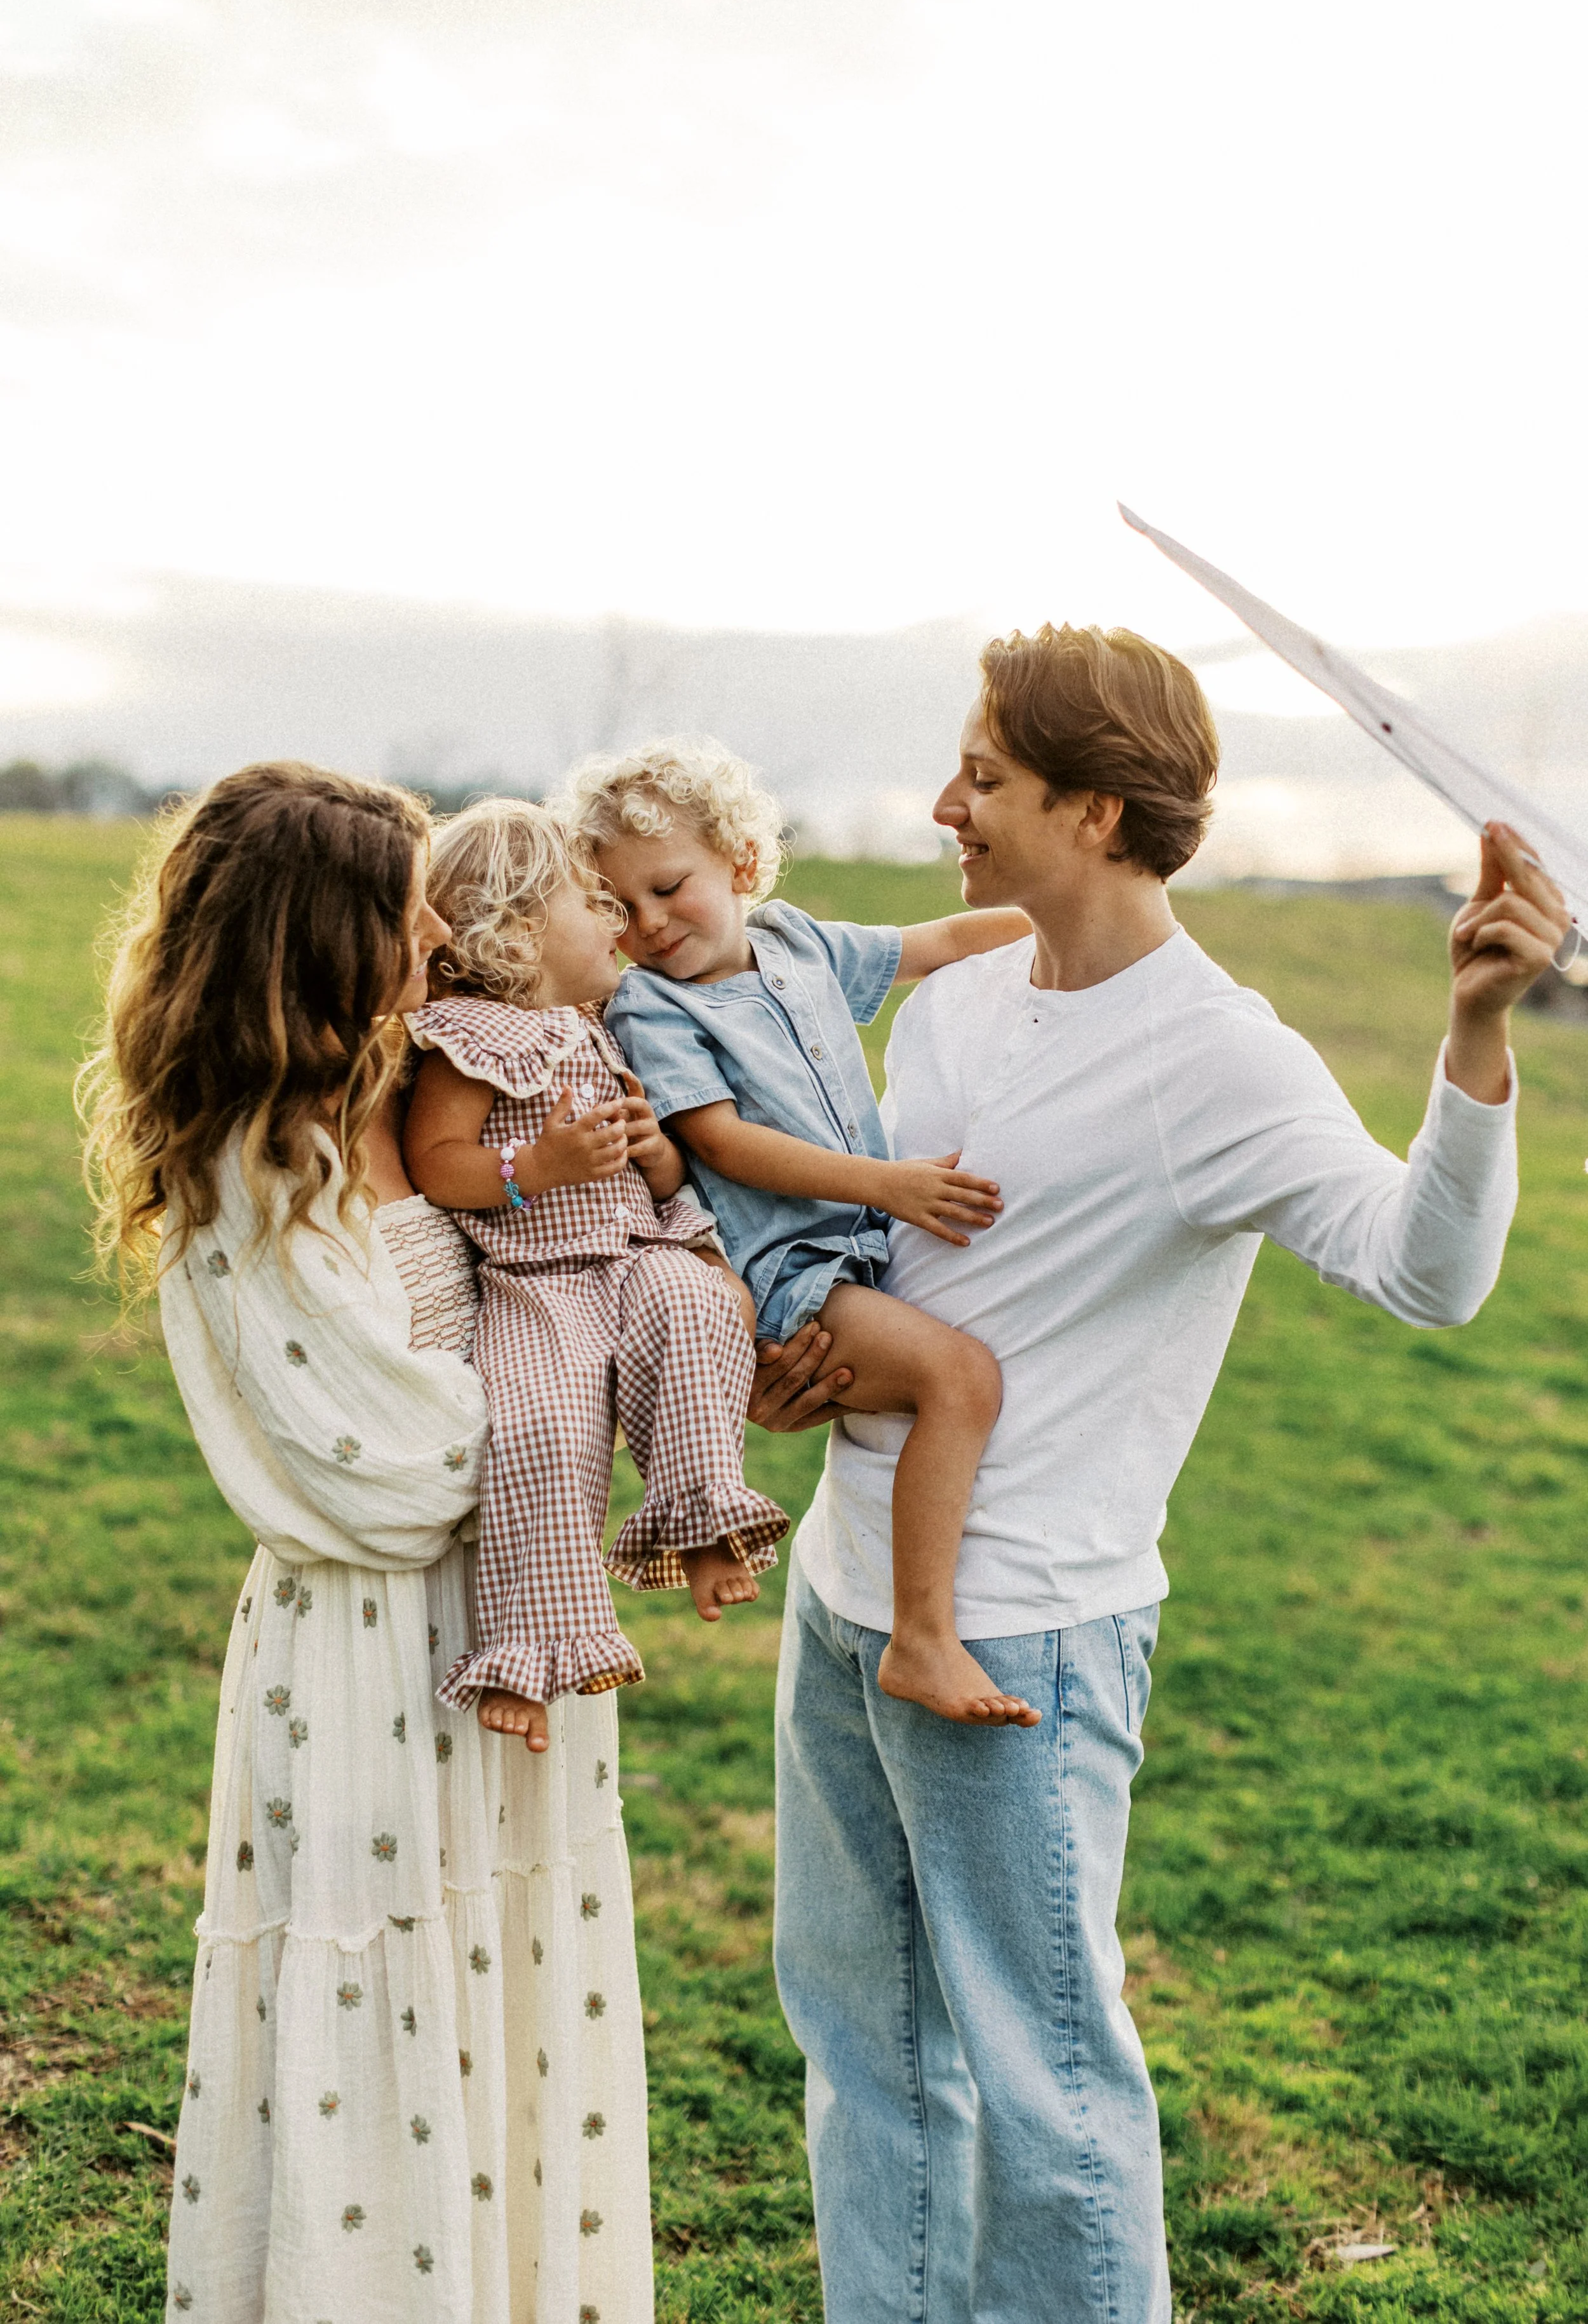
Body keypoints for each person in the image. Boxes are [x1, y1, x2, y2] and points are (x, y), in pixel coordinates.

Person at [752, 622, 1568, 2323]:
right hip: (846, 1600)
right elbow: (902, 1268)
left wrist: (1477, 1029)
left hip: (1025, 1644)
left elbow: (1424, 1271)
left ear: (1099, 810)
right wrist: (807, 1354)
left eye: (982, 776)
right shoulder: (963, 992)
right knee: (865, 2051)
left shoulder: (1216, 1052)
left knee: (1045, 2100)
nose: (941, 806)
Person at [81, 762, 654, 2324]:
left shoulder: (411, 1096)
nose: (434, 942)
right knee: (380, 2031)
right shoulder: (247, 1170)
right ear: (317, 940)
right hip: (362, 1664)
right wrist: (585, 1395)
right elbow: (389, 1472)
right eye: (403, 916)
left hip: (510, 1628)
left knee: (513, 2003)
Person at [564, 739, 1038, 1726]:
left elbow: (936, 944)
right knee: (963, 1379)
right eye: (622, 907)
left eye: (669, 887)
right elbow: (724, 1142)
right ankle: (922, 1637)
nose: (649, 925)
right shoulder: (654, 1005)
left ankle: (909, 1613)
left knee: (957, 1379)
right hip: (793, 1280)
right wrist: (888, 1185)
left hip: (862, 1252)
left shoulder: (792, 940)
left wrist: (1065, 924)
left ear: (740, 862)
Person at [400, 796, 788, 1750]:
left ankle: (702, 1518)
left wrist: (656, 1155)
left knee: (701, 1315)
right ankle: (530, 1647)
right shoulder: (472, 1037)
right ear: (519, 928)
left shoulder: (600, 1021)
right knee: (543, 1429)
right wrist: (531, 1169)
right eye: (591, 902)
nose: (617, 922)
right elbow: (435, 1157)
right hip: (542, 1281)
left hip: (641, 1253)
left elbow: (653, 1164)